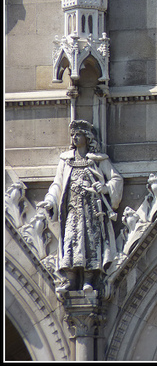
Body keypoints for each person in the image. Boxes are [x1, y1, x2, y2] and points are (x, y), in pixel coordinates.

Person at [37, 120, 123, 295]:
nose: (75, 138)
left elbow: (116, 179)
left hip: (91, 210)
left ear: (87, 137)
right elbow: (58, 185)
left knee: (90, 243)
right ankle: (71, 279)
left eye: (78, 134)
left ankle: (89, 281)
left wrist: (105, 188)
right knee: (70, 241)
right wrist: (50, 200)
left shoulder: (97, 160)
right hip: (72, 210)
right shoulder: (66, 160)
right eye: (73, 135)